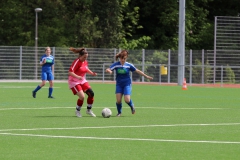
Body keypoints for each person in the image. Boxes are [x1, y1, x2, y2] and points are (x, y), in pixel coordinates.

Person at [105, 50, 153, 117]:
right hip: (119, 84)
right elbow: (108, 69)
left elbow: (137, 71)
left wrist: (146, 76)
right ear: (119, 58)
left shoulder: (129, 65)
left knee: (127, 100)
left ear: (126, 58)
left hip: (127, 84)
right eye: (122, 58)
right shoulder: (116, 65)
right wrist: (109, 71)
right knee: (118, 100)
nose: (123, 60)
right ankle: (119, 113)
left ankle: (132, 105)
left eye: (124, 58)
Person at [68, 47, 97, 117]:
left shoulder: (85, 62)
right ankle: (77, 111)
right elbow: (70, 72)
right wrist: (77, 77)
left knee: (91, 94)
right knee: (82, 96)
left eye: (86, 57)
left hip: (82, 80)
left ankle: (89, 110)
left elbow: (86, 69)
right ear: (80, 56)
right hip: (74, 82)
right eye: (84, 57)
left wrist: (92, 73)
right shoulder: (76, 62)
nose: (85, 59)